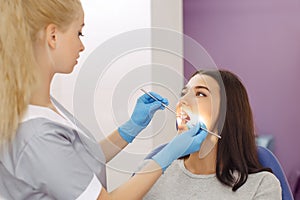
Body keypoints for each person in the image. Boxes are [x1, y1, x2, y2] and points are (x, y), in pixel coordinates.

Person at [0, 0, 208, 199]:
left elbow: (77, 163)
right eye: (79, 33)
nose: (81, 46)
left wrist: (130, 128)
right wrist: (167, 155)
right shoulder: (35, 136)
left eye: (201, 93)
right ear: (52, 36)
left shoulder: (42, 104)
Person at [143, 69, 282, 199]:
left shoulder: (261, 185)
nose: (182, 101)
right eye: (184, 93)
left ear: (227, 113)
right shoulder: (150, 174)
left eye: (200, 94)